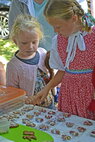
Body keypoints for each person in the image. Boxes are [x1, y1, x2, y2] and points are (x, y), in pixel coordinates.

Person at [31, 0, 95, 120]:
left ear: (74, 18)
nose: (55, 30)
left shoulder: (92, 35)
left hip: (90, 93)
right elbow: (62, 71)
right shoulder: (59, 40)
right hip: (69, 94)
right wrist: (47, 88)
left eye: (58, 26)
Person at [6, 14, 54, 109]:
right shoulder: (13, 65)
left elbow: (50, 72)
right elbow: (12, 90)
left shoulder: (42, 53)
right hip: (29, 107)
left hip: (49, 102)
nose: (30, 46)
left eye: (34, 42)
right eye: (24, 43)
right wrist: (25, 99)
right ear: (15, 41)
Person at [8, 0, 88, 51]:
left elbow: (81, 23)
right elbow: (15, 33)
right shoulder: (18, 2)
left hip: (67, 53)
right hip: (37, 59)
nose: (55, 30)